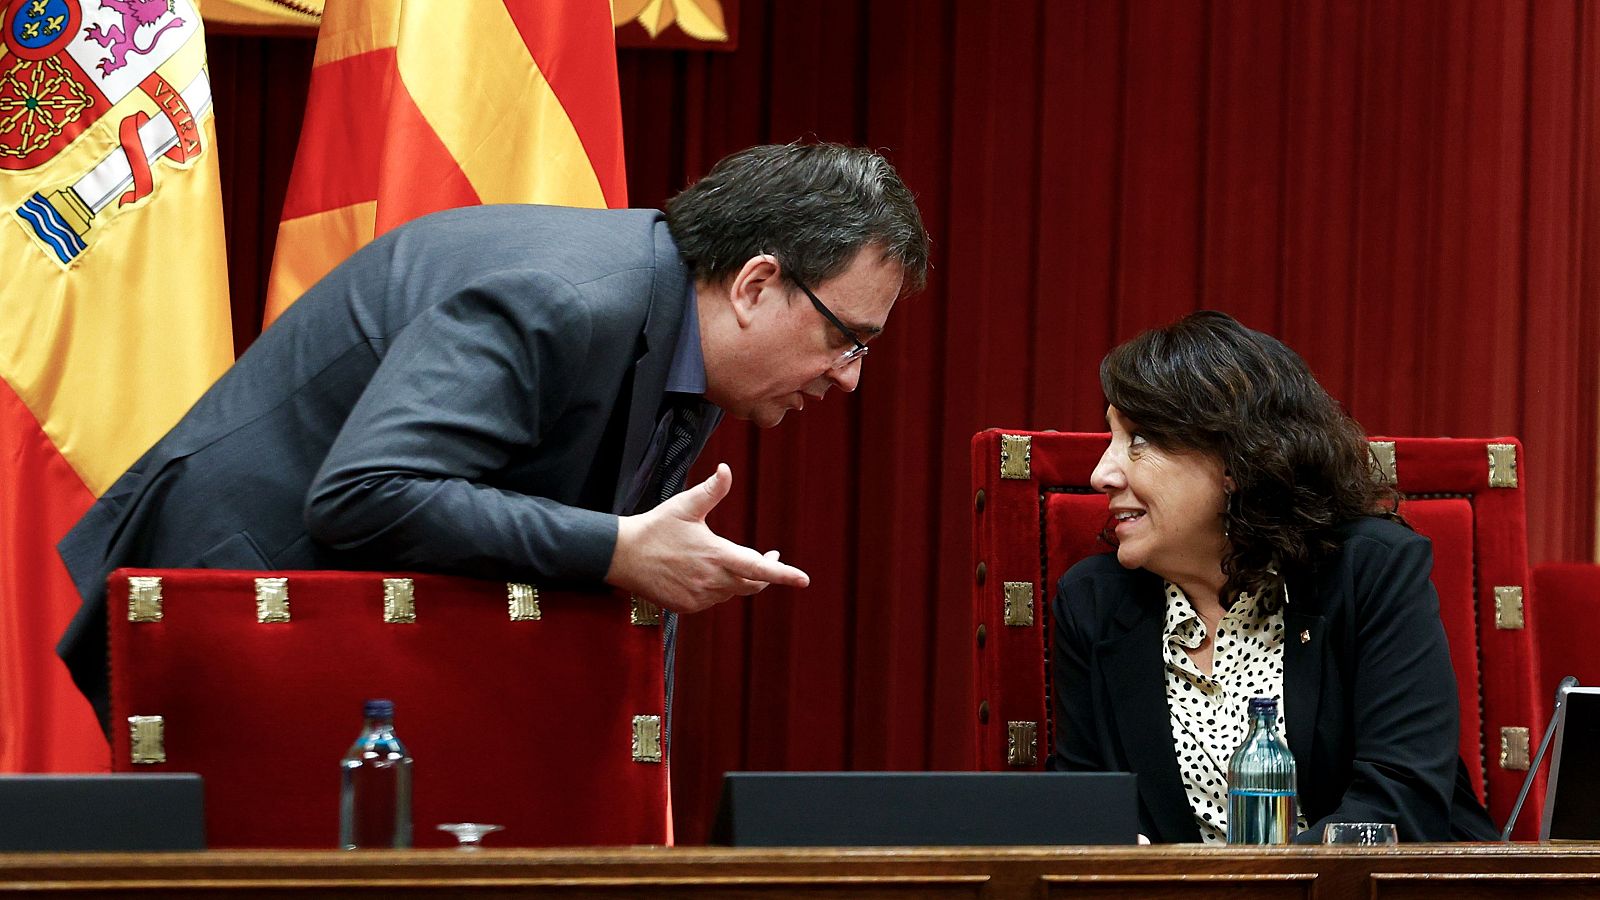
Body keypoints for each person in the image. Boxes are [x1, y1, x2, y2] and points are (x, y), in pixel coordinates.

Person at [57, 142, 930, 723]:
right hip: (238, 597)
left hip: (353, 638)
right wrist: (616, 549)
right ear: (754, 285)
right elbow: (365, 493)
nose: (848, 375)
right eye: (845, 337)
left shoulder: (693, 342)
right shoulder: (561, 300)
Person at [1048, 310, 1497, 844]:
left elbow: (1398, 806)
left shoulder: (1369, 571)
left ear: (1235, 461)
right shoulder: (1093, 604)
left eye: (1139, 439)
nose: (1101, 473)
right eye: (1112, 438)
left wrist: (1254, 882)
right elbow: (1084, 813)